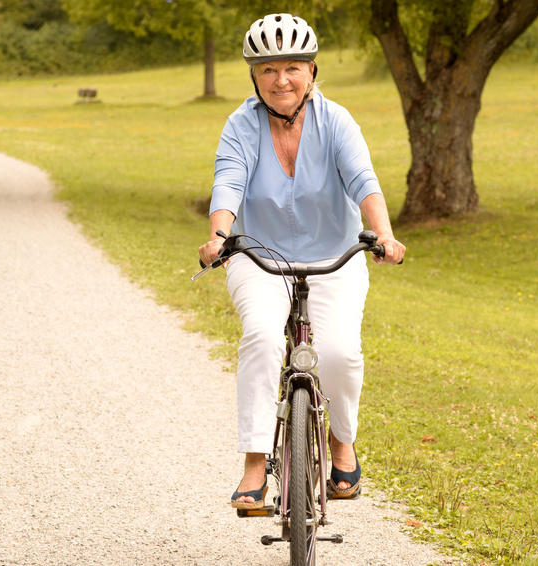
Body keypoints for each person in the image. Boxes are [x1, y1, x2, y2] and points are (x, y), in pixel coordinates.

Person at [198, 13, 406, 509]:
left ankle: (342, 442)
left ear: (313, 71)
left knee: (338, 354)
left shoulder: (336, 121)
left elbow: (364, 182)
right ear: (254, 76)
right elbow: (228, 181)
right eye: (268, 69)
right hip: (260, 257)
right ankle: (254, 463)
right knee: (263, 337)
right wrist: (219, 236)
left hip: (334, 257)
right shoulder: (240, 124)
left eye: (292, 67)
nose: (281, 80)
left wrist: (385, 235)